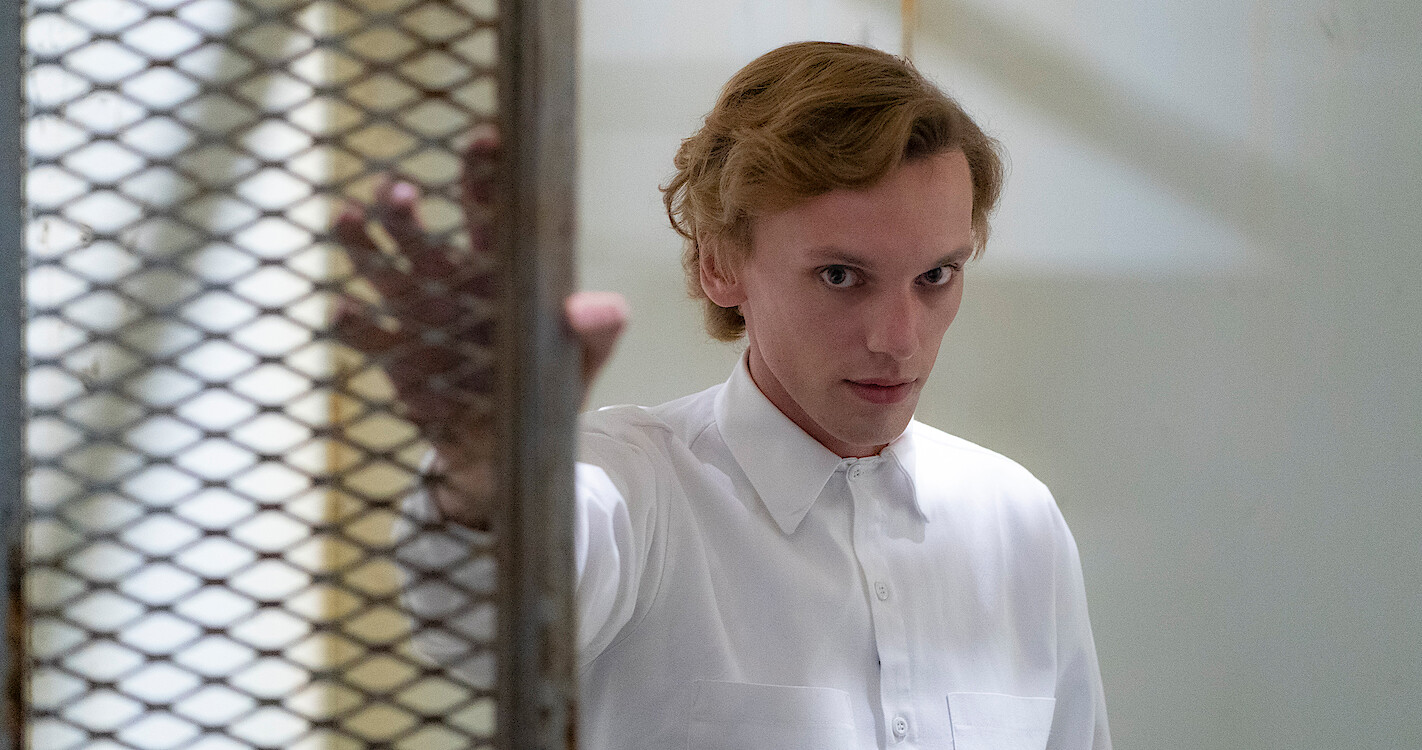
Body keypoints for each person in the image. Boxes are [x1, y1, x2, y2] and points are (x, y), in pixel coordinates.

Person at [336, 41, 1110, 750]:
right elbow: (481, 630)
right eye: (841, 276)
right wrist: (483, 474)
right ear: (720, 265)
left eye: (936, 276)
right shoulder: (638, 488)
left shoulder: (1018, 519)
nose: (899, 339)